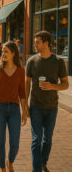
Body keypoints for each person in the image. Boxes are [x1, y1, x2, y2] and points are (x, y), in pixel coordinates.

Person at [25, 31, 69, 172]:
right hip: (36, 106)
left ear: (46, 43)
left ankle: (43, 162)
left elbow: (65, 84)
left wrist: (52, 86)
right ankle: (36, 169)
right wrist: (25, 104)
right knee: (36, 140)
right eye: (34, 42)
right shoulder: (31, 61)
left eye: (37, 42)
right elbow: (26, 84)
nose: (34, 44)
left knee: (47, 139)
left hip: (52, 107)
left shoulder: (58, 61)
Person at [0, 41, 28, 172]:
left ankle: (10, 160)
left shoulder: (21, 70)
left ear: (13, 53)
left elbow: (22, 92)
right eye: (2, 51)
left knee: (15, 143)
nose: (2, 54)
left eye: (6, 51)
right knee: (1, 142)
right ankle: (2, 167)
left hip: (14, 109)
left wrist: (24, 111)